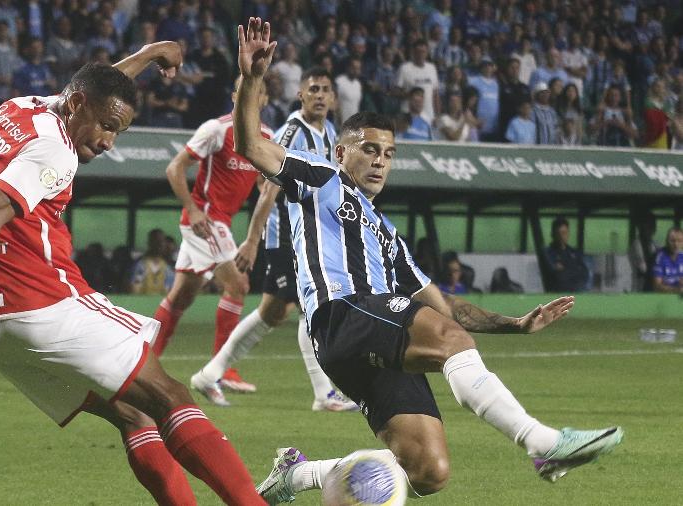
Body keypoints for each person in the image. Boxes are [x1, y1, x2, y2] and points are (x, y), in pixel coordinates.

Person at [232, 18, 622, 504]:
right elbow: (250, 145)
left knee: (427, 472)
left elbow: (446, 305)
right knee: (446, 337)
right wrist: (250, 80)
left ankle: (299, 474)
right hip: (342, 313)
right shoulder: (321, 177)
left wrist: (515, 325)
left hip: (370, 336)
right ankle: (542, 444)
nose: (379, 161)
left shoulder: (388, 236)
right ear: (340, 151)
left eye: (389, 154)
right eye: (369, 150)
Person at [0, 43, 265, 505]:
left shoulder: (21, 109)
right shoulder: (56, 152)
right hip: (41, 305)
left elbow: (96, 85)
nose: (110, 141)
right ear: (78, 106)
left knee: (134, 417)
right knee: (171, 396)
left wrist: (150, 53)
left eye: (119, 131)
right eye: (109, 127)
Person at [190, 66, 357, 411]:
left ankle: (211, 373)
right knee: (307, 307)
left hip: (307, 235)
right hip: (284, 234)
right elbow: (267, 187)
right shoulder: (292, 131)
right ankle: (323, 393)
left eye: (326, 90)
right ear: (301, 95)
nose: (320, 95)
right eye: (313, 89)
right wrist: (251, 240)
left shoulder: (328, 134)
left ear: (335, 98)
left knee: (273, 311)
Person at [149, 75, 274, 396]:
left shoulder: (266, 138)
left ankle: (143, 360)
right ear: (235, 96)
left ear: (264, 100)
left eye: (257, 92)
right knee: (238, 284)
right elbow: (175, 168)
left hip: (222, 223)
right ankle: (223, 369)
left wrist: (261, 220)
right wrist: (192, 208)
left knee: (181, 297)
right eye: (245, 90)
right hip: (205, 220)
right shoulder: (216, 129)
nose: (251, 97)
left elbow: (265, 186)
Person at [543, 217, 589, 293]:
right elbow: (554, 274)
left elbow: (584, 273)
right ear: (552, 234)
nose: (561, 237)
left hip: (575, 292)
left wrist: (566, 271)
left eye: (564, 233)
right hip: (555, 293)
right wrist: (572, 271)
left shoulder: (574, 252)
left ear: (568, 234)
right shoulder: (548, 253)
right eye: (559, 233)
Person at [130, 229, 174, 295]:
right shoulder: (141, 266)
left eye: (161, 241)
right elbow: (134, 290)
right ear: (149, 243)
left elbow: (170, 291)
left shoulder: (167, 269)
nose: (159, 244)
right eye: (156, 241)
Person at [628, 211, 658, 292]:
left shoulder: (654, 244)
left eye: (653, 225)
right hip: (640, 289)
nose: (652, 228)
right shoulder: (636, 245)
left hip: (653, 289)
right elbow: (643, 269)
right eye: (648, 226)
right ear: (641, 227)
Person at [652, 227, 682, 294]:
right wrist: (676, 290)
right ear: (666, 241)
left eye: (679, 241)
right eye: (672, 241)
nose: (676, 244)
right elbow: (656, 286)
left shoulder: (682, 256)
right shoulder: (660, 257)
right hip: (663, 298)